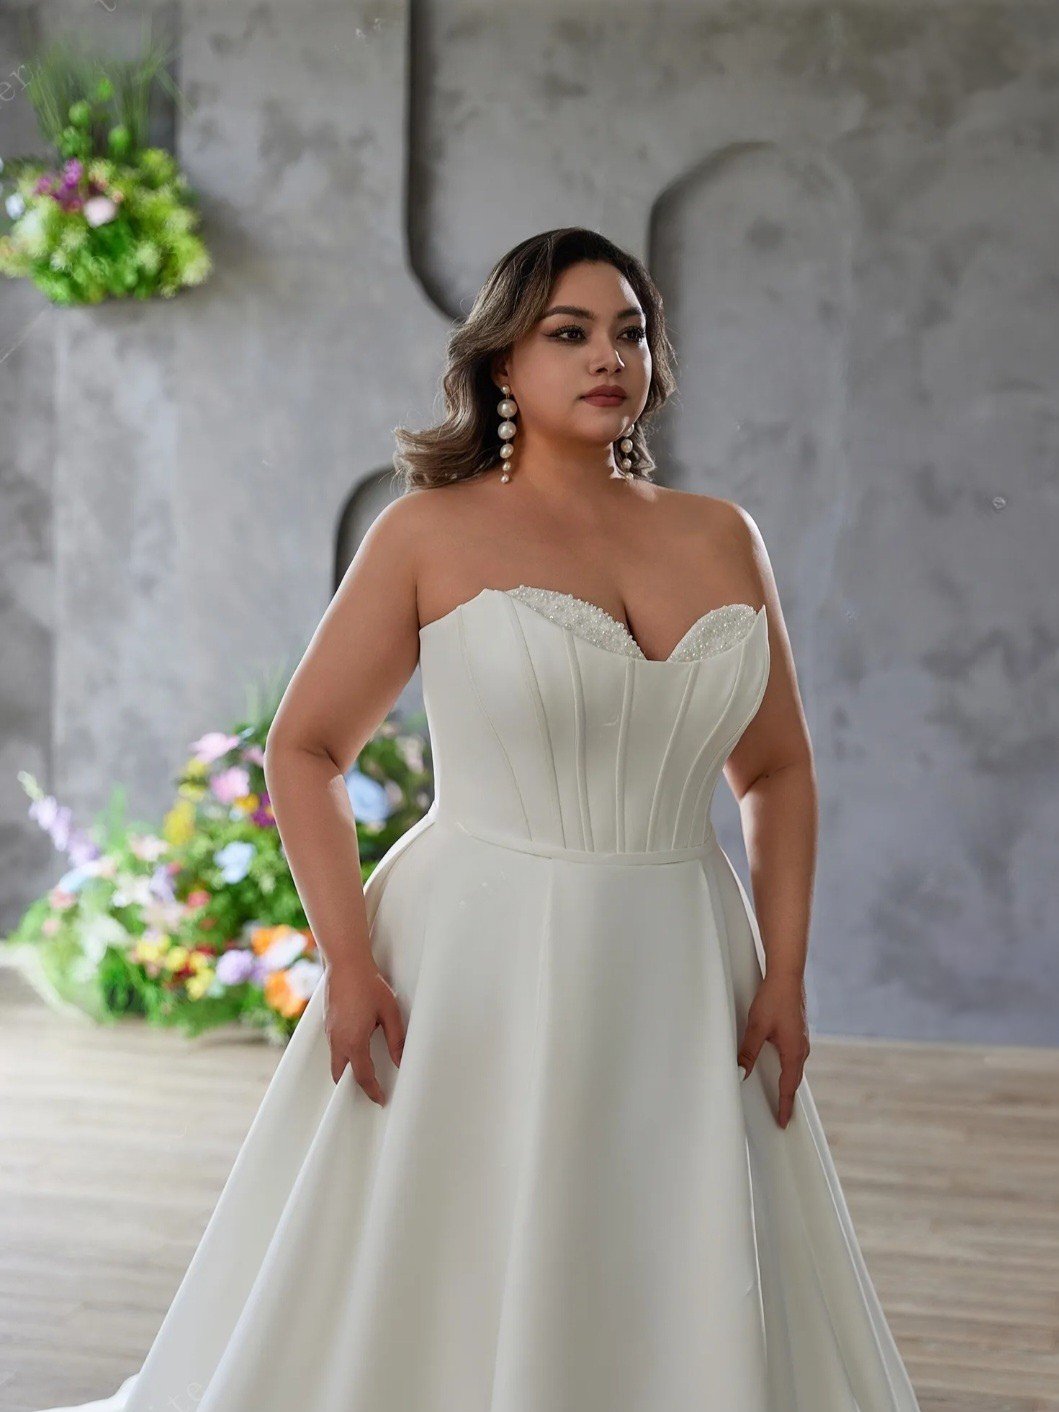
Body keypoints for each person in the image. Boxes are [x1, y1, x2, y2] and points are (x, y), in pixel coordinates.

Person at [38, 227, 921, 1410]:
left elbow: (778, 772)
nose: (610, 355)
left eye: (631, 330)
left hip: (680, 952)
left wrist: (787, 972)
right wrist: (345, 960)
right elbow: (303, 749)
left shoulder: (720, 535)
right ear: (503, 361)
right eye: (570, 332)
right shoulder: (427, 532)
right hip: (477, 952)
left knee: (668, 1237)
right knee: (459, 1246)